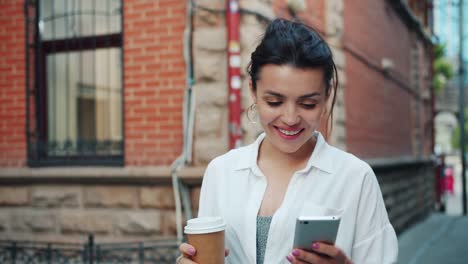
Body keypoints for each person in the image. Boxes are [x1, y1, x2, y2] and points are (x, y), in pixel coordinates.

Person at [178, 18, 398, 264]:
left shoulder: (355, 178)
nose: (291, 118)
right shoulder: (221, 172)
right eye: (274, 102)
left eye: (308, 104)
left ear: (327, 96)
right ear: (253, 90)